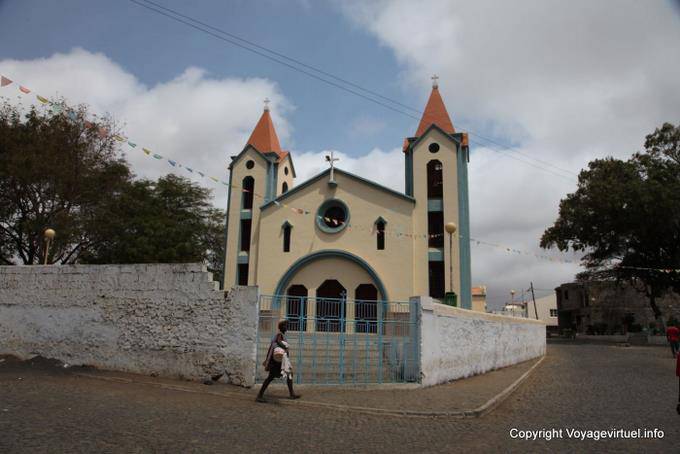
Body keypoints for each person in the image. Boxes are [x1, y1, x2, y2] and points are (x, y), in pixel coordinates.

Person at [256, 320, 301, 403]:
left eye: (287, 326)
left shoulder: (281, 335)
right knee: (271, 377)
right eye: (285, 326)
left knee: (289, 374)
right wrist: (286, 347)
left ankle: (292, 394)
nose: (287, 327)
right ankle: (259, 396)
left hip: (279, 361)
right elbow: (278, 342)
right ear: (282, 328)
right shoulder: (279, 335)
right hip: (277, 362)